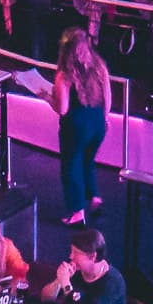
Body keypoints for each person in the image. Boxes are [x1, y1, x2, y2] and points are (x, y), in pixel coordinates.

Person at [49, 29, 110, 226]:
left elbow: (63, 109)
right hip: (97, 121)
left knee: (71, 165)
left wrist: (48, 98)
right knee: (88, 160)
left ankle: (77, 212)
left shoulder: (64, 75)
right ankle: (94, 197)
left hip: (76, 126)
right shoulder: (99, 66)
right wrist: (105, 118)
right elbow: (108, 95)